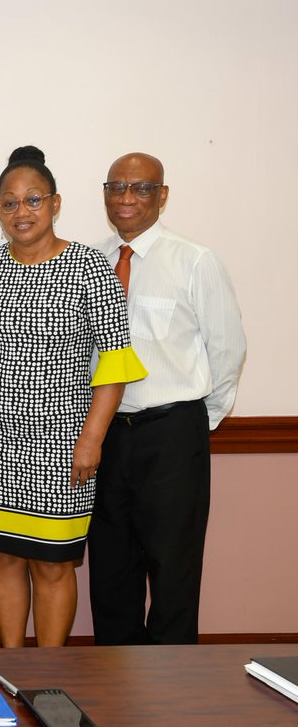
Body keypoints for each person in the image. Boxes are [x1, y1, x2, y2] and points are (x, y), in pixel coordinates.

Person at [0, 146, 147, 648]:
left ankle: (49, 673)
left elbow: (115, 363)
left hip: (63, 447)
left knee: (52, 566)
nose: (21, 212)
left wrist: (92, 439)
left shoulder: (88, 266)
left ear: (56, 203)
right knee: (4, 559)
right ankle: (13, 666)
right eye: (9, 203)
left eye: (33, 200)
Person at [89, 152, 246, 646]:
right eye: (117, 187)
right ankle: (114, 698)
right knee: (112, 572)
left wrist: (197, 420)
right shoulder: (89, 261)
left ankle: (171, 698)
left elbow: (228, 350)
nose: (126, 198)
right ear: (105, 194)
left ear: (163, 195)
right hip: (105, 437)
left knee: (173, 571)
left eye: (140, 188)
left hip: (173, 434)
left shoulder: (194, 260)